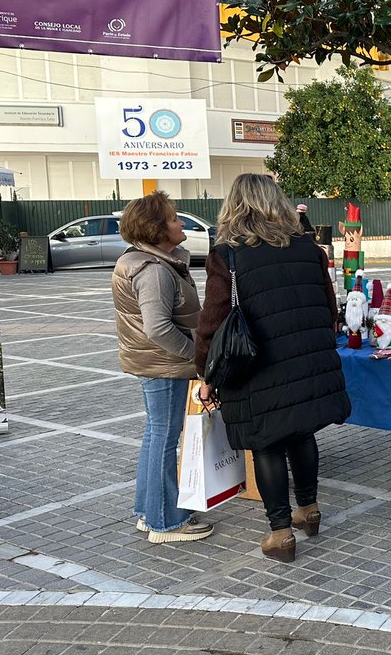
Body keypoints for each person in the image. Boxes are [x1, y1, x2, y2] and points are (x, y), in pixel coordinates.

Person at [194, 174, 351, 562]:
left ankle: (280, 532)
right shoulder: (308, 248)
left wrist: (205, 374)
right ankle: (309, 510)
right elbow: (330, 309)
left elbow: (212, 322)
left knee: (267, 442)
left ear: (235, 205)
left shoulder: (228, 254)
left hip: (257, 367)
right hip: (306, 359)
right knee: (300, 432)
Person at [111, 191, 213, 544]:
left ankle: (149, 511)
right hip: (165, 366)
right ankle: (165, 522)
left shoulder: (148, 261)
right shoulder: (153, 269)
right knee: (164, 440)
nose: (181, 222)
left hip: (158, 365)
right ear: (156, 229)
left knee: (157, 436)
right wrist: (194, 357)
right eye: (173, 218)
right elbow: (157, 328)